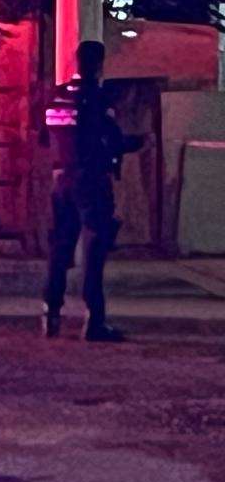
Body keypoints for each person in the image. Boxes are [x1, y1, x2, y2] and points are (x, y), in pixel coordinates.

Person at [42, 40, 140, 342]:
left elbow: (45, 137)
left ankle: (51, 314)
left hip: (60, 179)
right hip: (91, 180)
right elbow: (113, 140)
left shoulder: (56, 96)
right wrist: (140, 142)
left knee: (60, 247)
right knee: (94, 249)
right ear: (99, 64)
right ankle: (94, 321)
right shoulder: (96, 98)